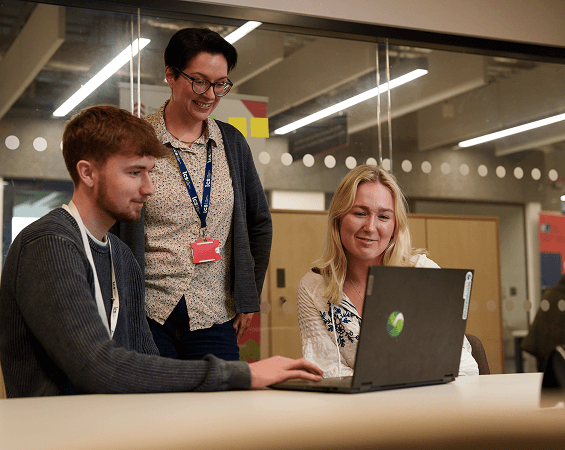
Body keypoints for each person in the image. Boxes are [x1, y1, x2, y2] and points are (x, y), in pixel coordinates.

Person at [0, 104, 321, 397]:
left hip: (110, 427)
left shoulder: (120, 257)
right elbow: (98, 368)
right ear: (87, 172)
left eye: (150, 173)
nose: (148, 188)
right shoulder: (50, 244)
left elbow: (146, 362)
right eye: (135, 172)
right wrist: (240, 373)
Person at [117, 28, 271, 361]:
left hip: (214, 313)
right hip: (149, 313)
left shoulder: (232, 143)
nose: (210, 94)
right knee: (157, 411)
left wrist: (248, 295)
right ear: (170, 75)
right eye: (199, 81)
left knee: (222, 410)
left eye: (220, 84)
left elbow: (259, 223)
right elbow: (113, 226)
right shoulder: (135, 140)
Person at [296, 164, 479, 377]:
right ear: (338, 218)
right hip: (354, 409)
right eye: (359, 213)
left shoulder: (423, 273)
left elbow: (464, 365)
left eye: (383, 217)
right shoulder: (313, 288)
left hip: (427, 404)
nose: (371, 227)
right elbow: (326, 370)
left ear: (395, 226)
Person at [521, 274, 565, 372]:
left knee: (544, 374)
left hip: (541, 343)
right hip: (554, 346)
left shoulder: (550, 293)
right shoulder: (561, 296)